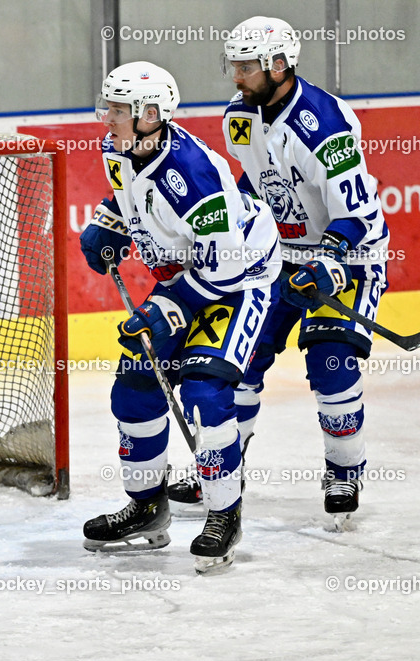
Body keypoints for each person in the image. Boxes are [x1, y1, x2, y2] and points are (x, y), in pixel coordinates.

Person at [169, 17, 387, 529]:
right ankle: (223, 471)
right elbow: (252, 178)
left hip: (348, 256)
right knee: (238, 366)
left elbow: (358, 212)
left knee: (331, 364)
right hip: (275, 258)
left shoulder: (323, 123)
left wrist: (329, 259)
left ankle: (343, 472)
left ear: (280, 65)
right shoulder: (239, 114)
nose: (236, 77)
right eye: (235, 66)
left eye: (247, 67)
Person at [79, 61, 282, 572]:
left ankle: (224, 514)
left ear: (151, 114)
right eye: (108, 106)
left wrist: (165, 308)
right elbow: (127, 197)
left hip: (237, 283)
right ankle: (148, 507)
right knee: (133, 388)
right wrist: (109, 225)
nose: (108, 118)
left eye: (118, 110)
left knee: (204, 394)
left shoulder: (193, 175)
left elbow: (227, 267)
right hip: (184, 276)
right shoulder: (120, 148)